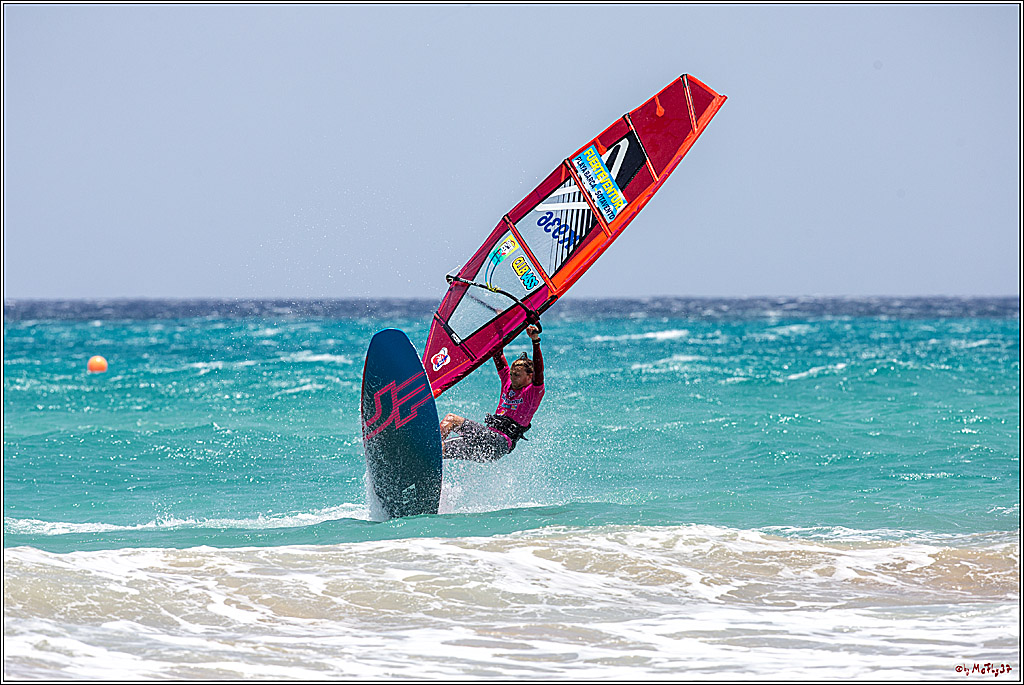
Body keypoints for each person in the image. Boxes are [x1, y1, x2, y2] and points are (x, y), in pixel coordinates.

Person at [439, 324, 544, 462]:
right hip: (487, 442)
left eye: (517, 375)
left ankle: (427, 446)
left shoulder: (533, 392)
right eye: (512, 374)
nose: (512, 377)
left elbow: (539, 371)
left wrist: (535, 341)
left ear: (529, 377)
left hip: (498, 443)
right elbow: (497, 353)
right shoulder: (508, 383)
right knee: (441, 450)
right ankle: (420, 467)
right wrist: (496, 326)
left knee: (451, 420)